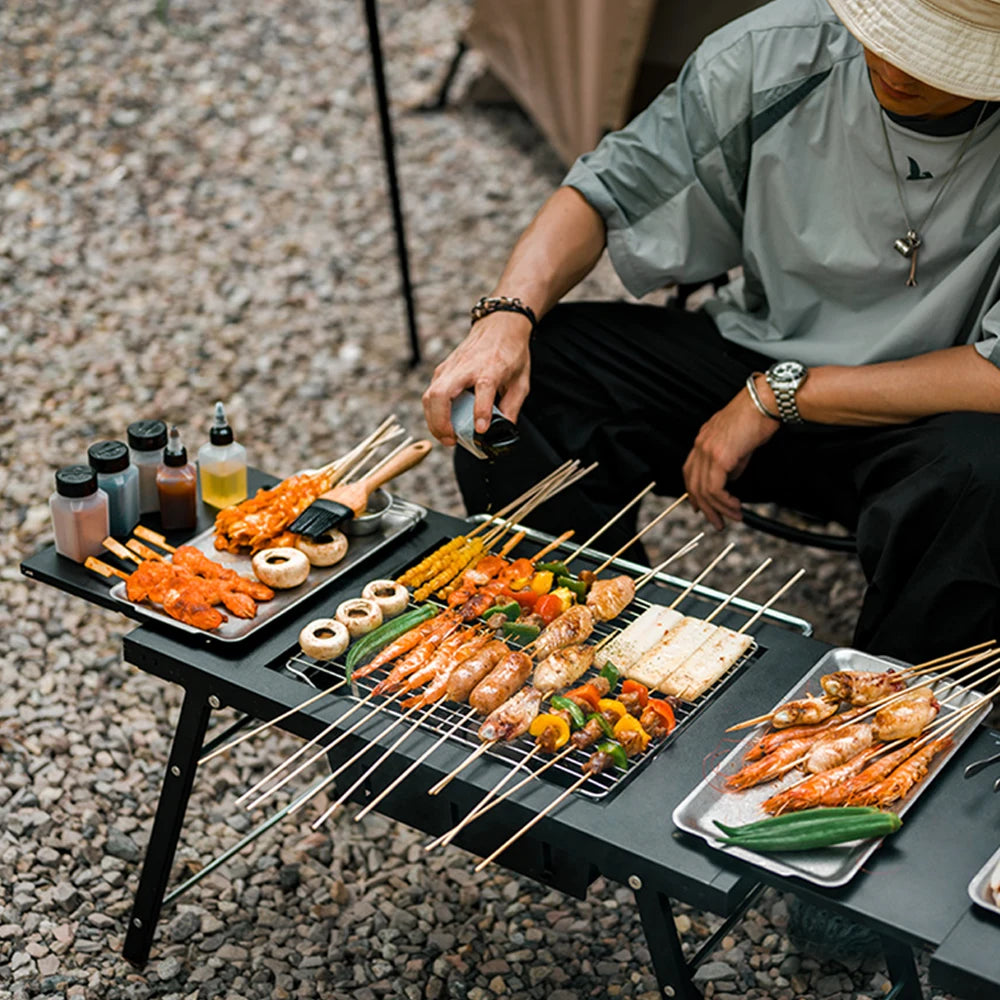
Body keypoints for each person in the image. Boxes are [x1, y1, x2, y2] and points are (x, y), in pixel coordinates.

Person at [422, 0, 1000, 661]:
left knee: (990, 473)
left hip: (934, 416)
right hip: (753, 354)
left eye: (936, 54)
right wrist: (506, 318)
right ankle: (582, 651)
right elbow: (604, 188)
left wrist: (778, 397)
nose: (897, 62)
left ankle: (891, 723)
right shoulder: (780, 52)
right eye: (890, 32)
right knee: (539, 377)